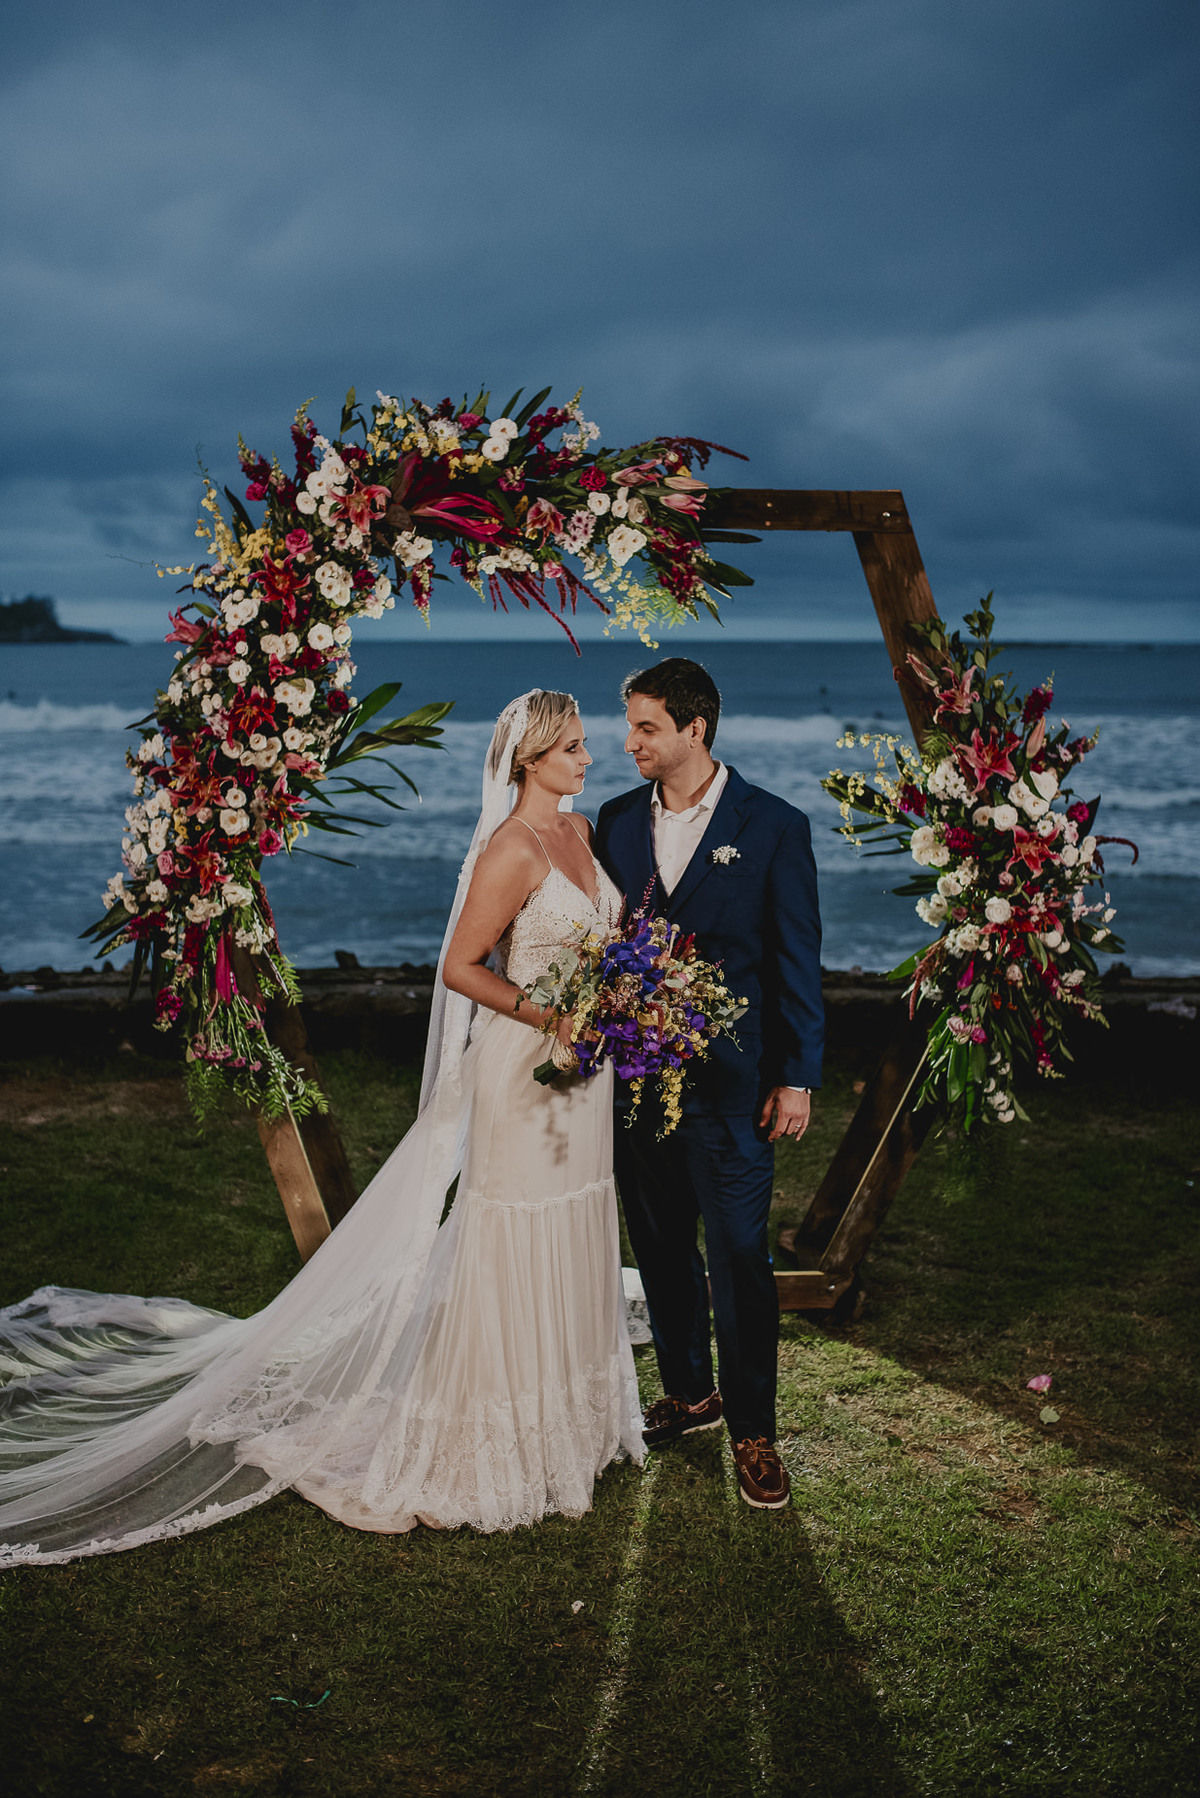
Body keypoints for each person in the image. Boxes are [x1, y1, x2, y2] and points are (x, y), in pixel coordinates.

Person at [0, 692, 642, 1564]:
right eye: (571, 747)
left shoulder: (581, 835)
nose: (587, 758)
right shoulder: (512, 849)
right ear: (529, 758)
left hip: (587, 1079)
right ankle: (483, 1439)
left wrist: (615, 1004)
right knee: (510, 1234)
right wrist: (548, 1015)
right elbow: (458, 966)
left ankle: (569, 1422)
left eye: (584, 745)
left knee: (576, 1216)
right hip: (524, 1070)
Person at [595, 658, 823, 1509]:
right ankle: (691, 1395)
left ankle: (755, 1431)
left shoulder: (773, 826)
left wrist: (796, 1077)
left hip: (733, 1089)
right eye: (630, 726)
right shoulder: (614, 823)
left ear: (695, 729)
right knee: (658, 1249)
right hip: (634, 1084)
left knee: (736, 1253)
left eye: (647, 727)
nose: (631, 743)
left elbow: (798, 959)